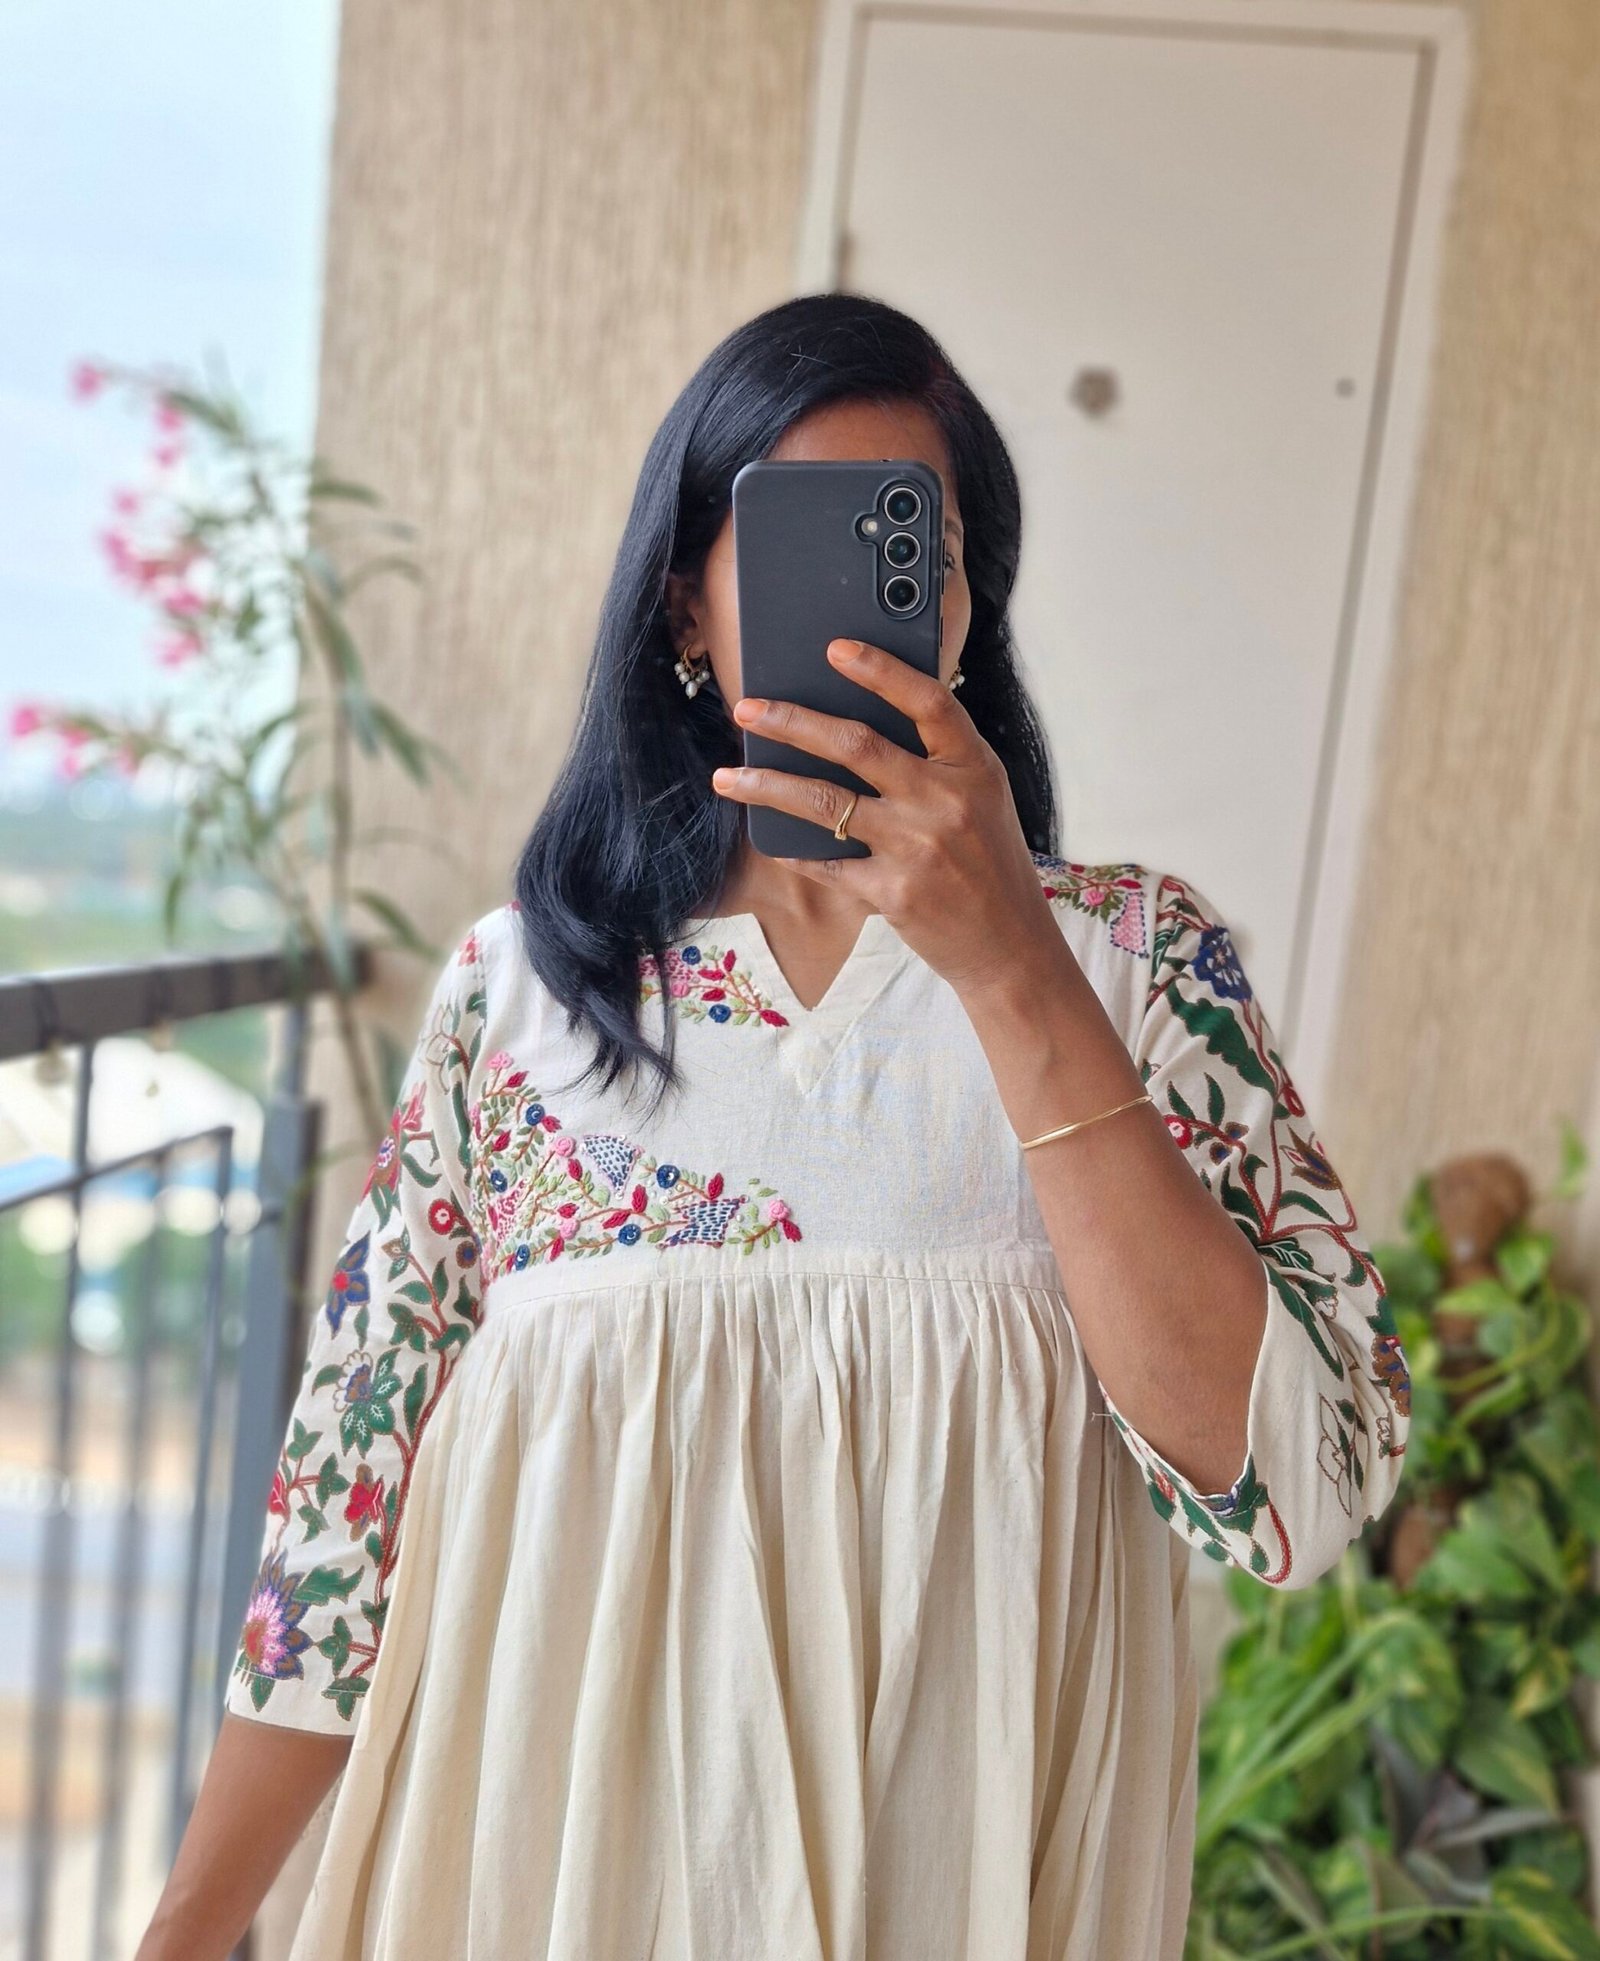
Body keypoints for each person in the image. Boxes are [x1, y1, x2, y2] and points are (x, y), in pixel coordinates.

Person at [137, 292, 1411, 1960]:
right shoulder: (521, 997)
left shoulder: (1137, 966)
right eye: (804, 531)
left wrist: (1014, 971)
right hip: (546, 1895)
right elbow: (338, 1518)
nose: (875, 598)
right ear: (686, 593)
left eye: (915, 548)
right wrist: (184, 1929)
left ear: (967, 601)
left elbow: (1302, 1492)